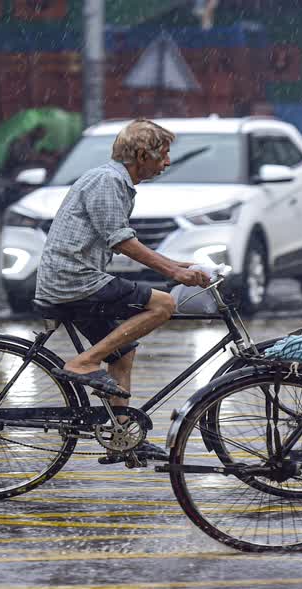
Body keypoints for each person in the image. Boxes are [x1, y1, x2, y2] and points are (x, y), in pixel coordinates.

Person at [35, 119, 211, 465]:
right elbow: (122, 241)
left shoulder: (116, 181)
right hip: (74, 279)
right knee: (163, 304)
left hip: (79, 277)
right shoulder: (108, 180)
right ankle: (84, 363)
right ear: (143, 155)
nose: (168, 162)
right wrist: (173, 272)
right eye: (164, 155)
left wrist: (181, 265)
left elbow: (118, 239)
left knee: (123, 353)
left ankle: (121, 436)